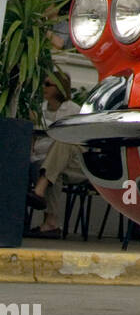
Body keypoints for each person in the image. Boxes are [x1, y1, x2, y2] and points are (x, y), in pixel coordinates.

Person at [27, 71, 86, 239]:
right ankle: (50, 224)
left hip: (76, 163)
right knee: (52, 171)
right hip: (46, 163)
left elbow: (80, 141)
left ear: (60, 88)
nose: (43, 88)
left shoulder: (74, 110)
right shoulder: (39, 109)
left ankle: (40, 191)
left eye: (48, 84)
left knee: (64, 139)